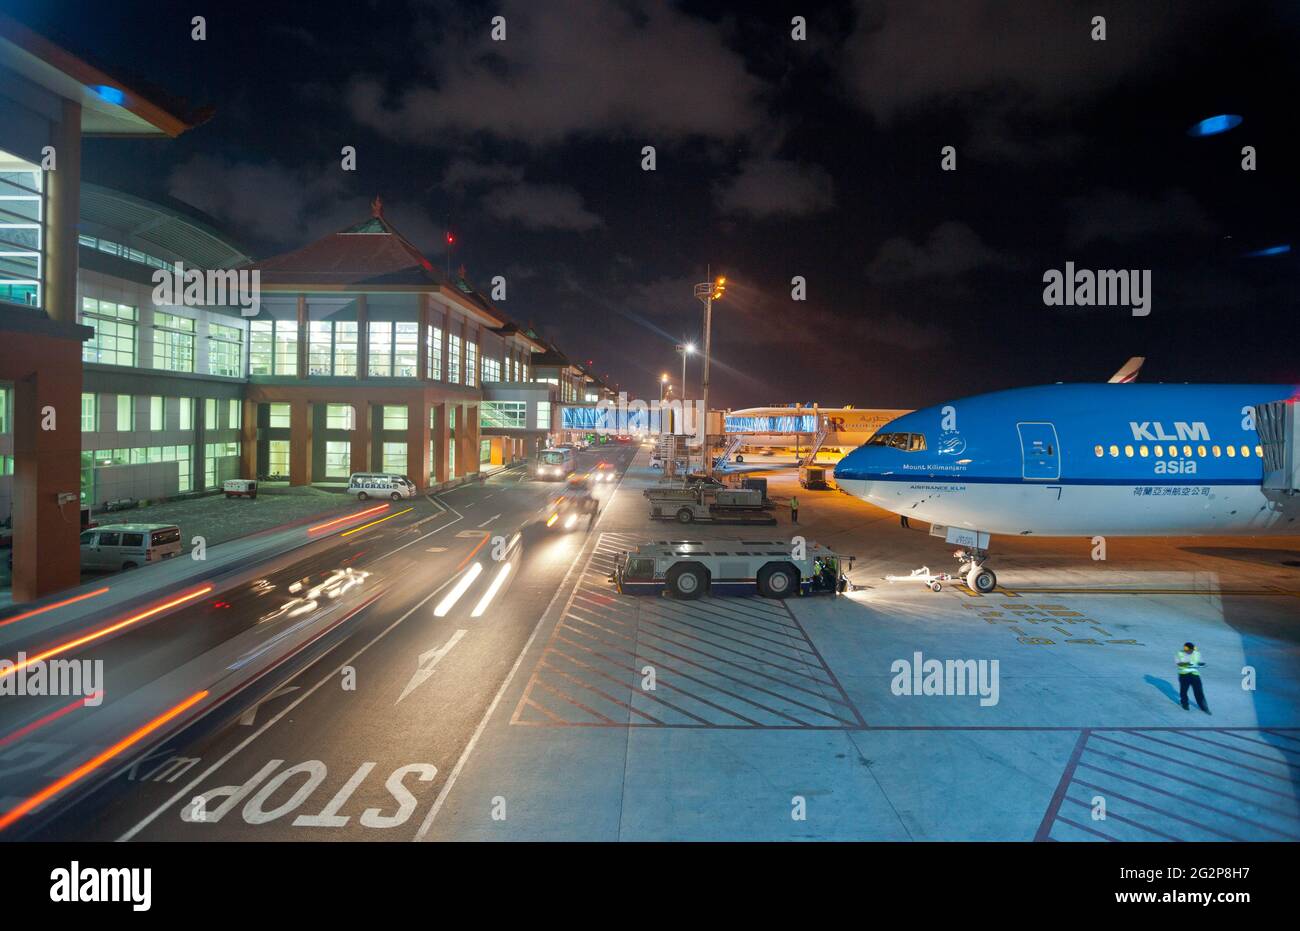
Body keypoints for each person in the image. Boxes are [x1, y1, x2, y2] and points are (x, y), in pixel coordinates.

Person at [1176, 642, 1209, 713]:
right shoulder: (1180, 653)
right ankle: (1185, 704)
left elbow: (1201, 662)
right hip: (1184, 675)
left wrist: (1201, 663)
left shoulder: (1197, 653)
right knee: (1184, 691)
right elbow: (1178, 663)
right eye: (1188, 651)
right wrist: (1186, 663)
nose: (1189, 652)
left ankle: (1204, 707)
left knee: (1199, 691)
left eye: (1191, 650)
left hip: (1195, 674)